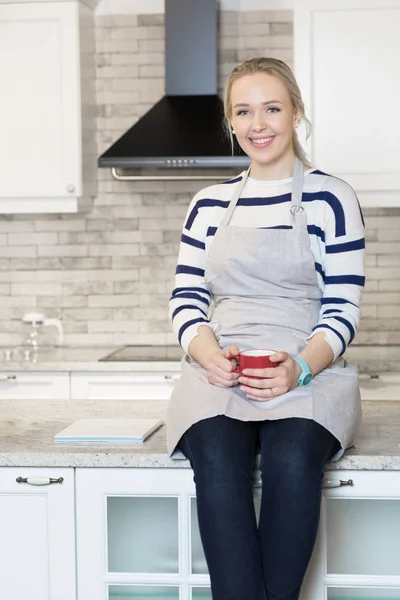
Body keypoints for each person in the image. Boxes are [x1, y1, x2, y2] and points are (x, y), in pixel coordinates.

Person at [167, 57, 365, 600]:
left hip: (308, 368)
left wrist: (299, 367)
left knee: (294, 455)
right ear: (231, 122)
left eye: (272, 108)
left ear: (296, 113)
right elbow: (186, 299)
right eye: (244, 111)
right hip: (222, 371)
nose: (258, 124)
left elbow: (343, 307)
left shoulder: (331, 198)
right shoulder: (208, 204)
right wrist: (209, 356)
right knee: (215, 456)